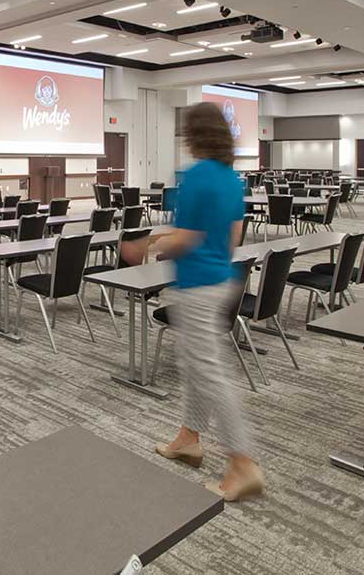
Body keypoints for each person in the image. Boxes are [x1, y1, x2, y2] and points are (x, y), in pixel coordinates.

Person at [122, 101, 264, 503]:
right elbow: (232, 239)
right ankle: (189, 437)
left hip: (197, 285)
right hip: (221, 280)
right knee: (196, 367)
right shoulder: (231, 179)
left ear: (194, 135)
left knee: (210, 372)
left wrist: (147, 244)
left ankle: (242, 463)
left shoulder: (197, 176)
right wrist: (166, 238)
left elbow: (186, 238)